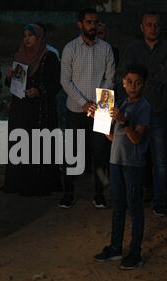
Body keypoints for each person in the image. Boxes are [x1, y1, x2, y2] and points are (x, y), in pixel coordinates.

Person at [122, 12, 167, 216]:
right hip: (137, 112)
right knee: (137, 157)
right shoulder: (132, 49)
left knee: (160, 159)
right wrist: (154, 73)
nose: (152, 28)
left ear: (160, 27)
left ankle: (160, 200)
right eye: (148, 25)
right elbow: (130, 77)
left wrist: (143, 77)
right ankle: (137, 197)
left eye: (156, 24)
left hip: (159, 112)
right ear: (142, 27)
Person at [94, 65, 151, 270]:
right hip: (116, 161)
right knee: (118, 205)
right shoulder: (119, 103)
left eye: (138, 83)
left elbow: (136, 139)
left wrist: (123, 121)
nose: (133, 86)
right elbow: (114, 137)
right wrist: (99, 121)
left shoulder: (144, 107)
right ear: (123, 83)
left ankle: (135, 253)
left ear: (143, 84)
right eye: (129, 82)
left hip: (133, 164)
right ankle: (116, 247)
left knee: (134, 208)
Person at [59, 8, 115, 209]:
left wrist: (98, 105)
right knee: (73, 152)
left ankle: (99, 194)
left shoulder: (106, 48)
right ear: (80, 24)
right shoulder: (70, 48)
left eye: (96, 22)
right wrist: (83, 102)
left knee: (100, 151)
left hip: (101, 107)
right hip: (76, 108)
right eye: (89, 22)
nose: (93, 26)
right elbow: (65, 80)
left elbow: (110, 78)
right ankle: (68, 193)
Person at [3, 23, 61, 196]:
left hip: (40, 111)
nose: (26, 39)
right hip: (21, 109)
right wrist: (9, 78)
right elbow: (14, 85)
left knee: (38, 144)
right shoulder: (20, 57)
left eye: (31, 35)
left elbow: (56, 84)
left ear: (40, 37)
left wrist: (39, 91)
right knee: (20, 144)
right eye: (24, 35)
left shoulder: (49, 57)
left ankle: (38, 184)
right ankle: (19, 182)